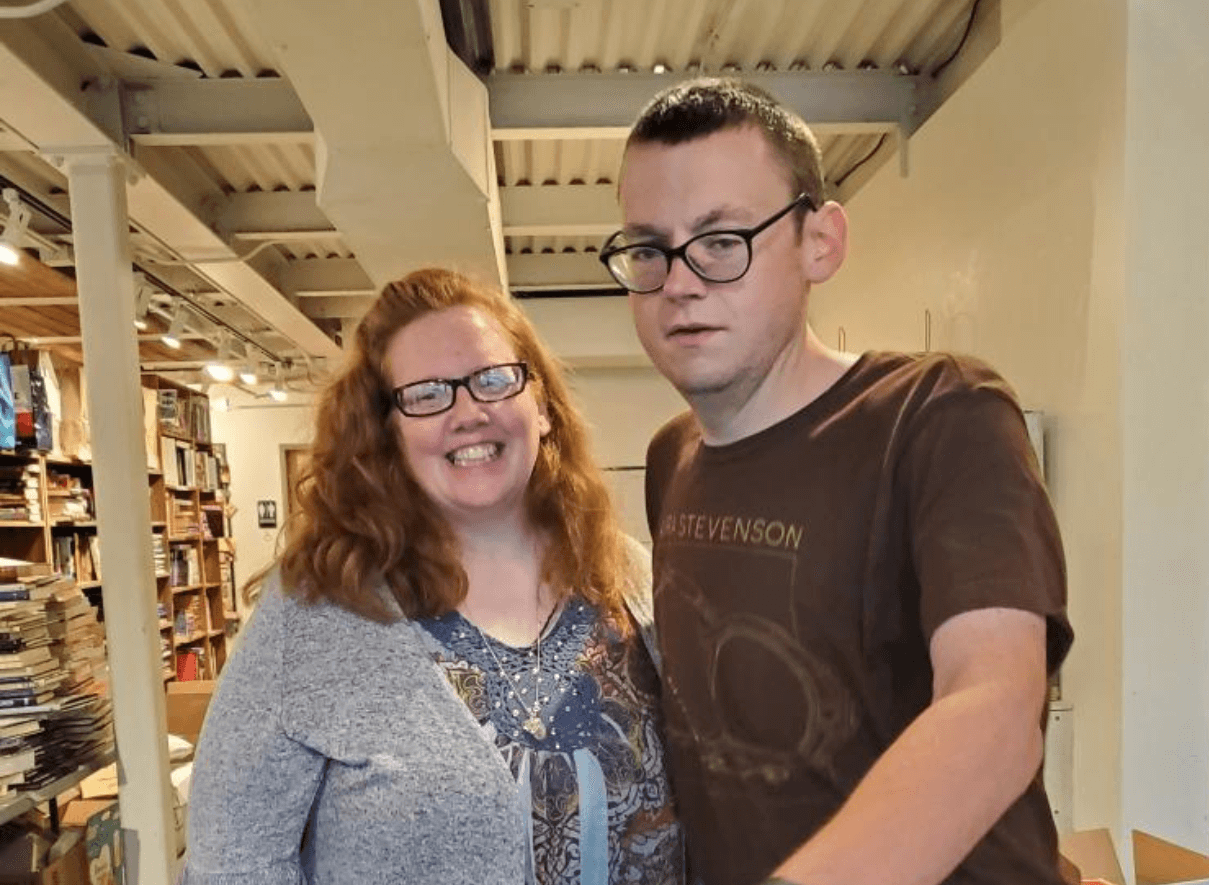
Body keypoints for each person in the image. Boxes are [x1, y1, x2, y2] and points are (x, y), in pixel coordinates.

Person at [599, 78, 1074, 885]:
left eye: (721, 240)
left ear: (819, 240)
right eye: (649, 249)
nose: (679, 282)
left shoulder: (937, 413)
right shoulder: (670, 458)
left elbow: (992, 706)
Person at [182, 268, 684, 885]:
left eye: (493, 380)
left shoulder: (630, 575)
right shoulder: (316, 611)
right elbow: (232, 858)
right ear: (387, 435)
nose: (468, 412)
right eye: (425, 394)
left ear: (543, 407)